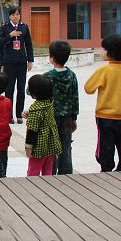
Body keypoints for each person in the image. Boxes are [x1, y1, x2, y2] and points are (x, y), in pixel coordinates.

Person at [84, 34, 121, 172]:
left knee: (106, 146)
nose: (101, 52)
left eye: (104, 49)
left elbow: (88, 88)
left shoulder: (103, 70)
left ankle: (106, 169)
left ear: (111, 52)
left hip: (105, 116)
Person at [43, 41, 79, 175]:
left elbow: (31, 90)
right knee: (66, 145)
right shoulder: (72, 76)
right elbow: (75, 98)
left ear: (51, 58)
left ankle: (50, 172)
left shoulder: (48, 76)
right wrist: (74, 118)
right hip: (68, 117)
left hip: (51, 117)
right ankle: (66, 172)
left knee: (51, 145)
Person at [0, 6, 34, 124]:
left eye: (18, 14)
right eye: (13, 14)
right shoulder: (5, 27)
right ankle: (9, 115)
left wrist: (30, 60)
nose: (16, 16)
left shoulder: (24, 27)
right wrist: (10, 35)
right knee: (9, 89)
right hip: (9, 62)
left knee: (21, 87)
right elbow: (0, 42)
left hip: (21, 62)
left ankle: (19, 114)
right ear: (9, 16)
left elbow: (28, 44)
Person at [24, 74, 62, 176]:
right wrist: (29, 113)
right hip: (50, 143)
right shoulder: (49, 103)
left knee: (34, 170)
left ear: (33, 93)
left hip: (39, 146)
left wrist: (28, 148)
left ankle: (33, 188)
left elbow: (32, 131)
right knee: (48, 170)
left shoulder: (36, 111)